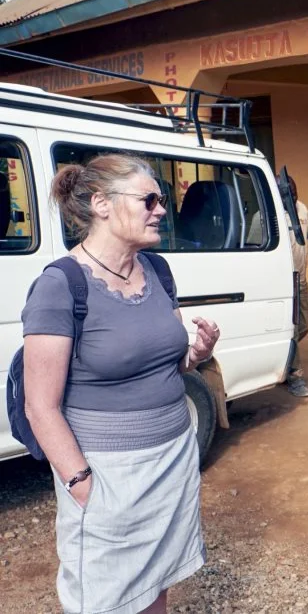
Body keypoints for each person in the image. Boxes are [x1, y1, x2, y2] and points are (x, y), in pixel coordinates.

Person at [22, 153, 220, 614]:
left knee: (156, 585)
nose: (162, 210)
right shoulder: (60, 285)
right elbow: (41, 407)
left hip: (171, 460)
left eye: (162, 199)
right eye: (149, 199)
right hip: (107, 473)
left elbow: (170, 366)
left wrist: (197, 354)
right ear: (101, 204)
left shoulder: (158, 270)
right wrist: (82, 484)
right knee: (105, 598)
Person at [284, 175, 308, 397]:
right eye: (288, 193)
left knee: (304, 324)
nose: (293, 197)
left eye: (294, 192)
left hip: (301, 280)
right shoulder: (267, 213)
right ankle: (294, 376)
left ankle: (284, 357)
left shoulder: (301, 208)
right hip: (283, 283)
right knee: (293, 330)